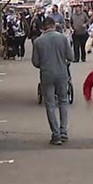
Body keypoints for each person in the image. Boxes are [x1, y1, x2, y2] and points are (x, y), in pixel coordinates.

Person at [31, 17, 75, 145]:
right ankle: (63, 131)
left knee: (50, 104)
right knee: (63, 101)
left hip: (46, 75)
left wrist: (44, 65)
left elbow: (35, 62)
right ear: (53, 26)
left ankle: (55, 135)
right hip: (62, 74)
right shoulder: (62, 38)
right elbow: (71, 56)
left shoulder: (38, 42)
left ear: (43, 27)